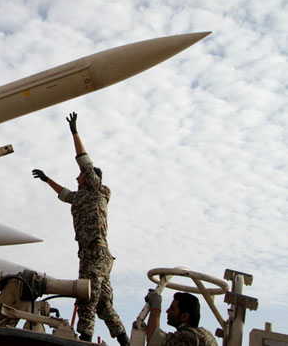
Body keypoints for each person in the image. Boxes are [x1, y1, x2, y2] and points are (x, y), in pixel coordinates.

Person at [32, 112, 128, 346]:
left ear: (91, 177)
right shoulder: (80, 197)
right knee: (103, 304)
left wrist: (74, 132)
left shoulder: (98, 190)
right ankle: (125, 340)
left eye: (81, 176)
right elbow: (64, 194)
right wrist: (47, 180)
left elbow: (84, 161)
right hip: (89, 254)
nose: (77, 178)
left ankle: (84, 339)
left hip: (96, 252)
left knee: (86, 296)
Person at [145, 290, 218, 346]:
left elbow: (154, 339)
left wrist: (155, 306)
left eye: (172, 309)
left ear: (184, 316)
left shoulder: (190, 337)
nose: (167, 311)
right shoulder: (204, 334)